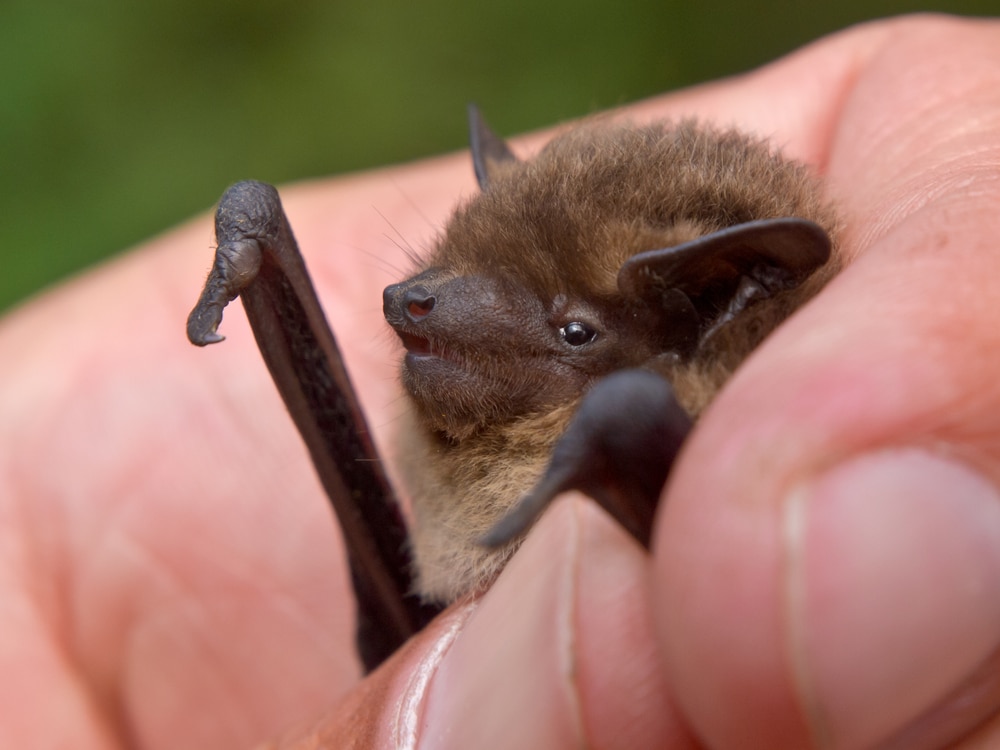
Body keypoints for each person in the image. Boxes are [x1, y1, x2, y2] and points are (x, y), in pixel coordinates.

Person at [2, 13, 999, 749]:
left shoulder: (687, 429)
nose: (419, 304)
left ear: (714, 316)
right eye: (465, 271)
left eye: (571, 328)